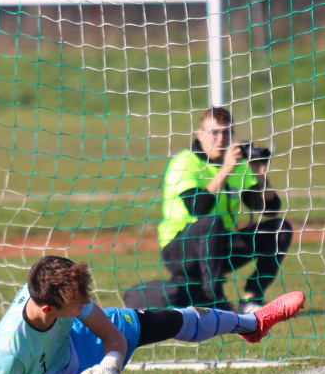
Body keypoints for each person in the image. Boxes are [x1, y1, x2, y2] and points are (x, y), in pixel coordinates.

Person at [0, 255, 304, 374]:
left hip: (76, 343)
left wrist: (110, 363)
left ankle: (253, 323)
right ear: (48, 308)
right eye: (79, 305)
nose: (86, 305)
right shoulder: (9, 349)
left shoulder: (62, 292)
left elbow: (111, 335)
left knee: (175, 318)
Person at [122, 106, 293, 313]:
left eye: (227, 133)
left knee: (279, 229)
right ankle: (215, 299)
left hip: (218, 247)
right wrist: (225, 170)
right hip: (180, 249)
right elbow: (198, 207)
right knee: (212, 221)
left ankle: (252, 296)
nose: (221, 139)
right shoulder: (185, 162)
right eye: (215, 133)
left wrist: (260, 174)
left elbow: (270, 209)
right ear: (200, 135)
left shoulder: (238, 165)